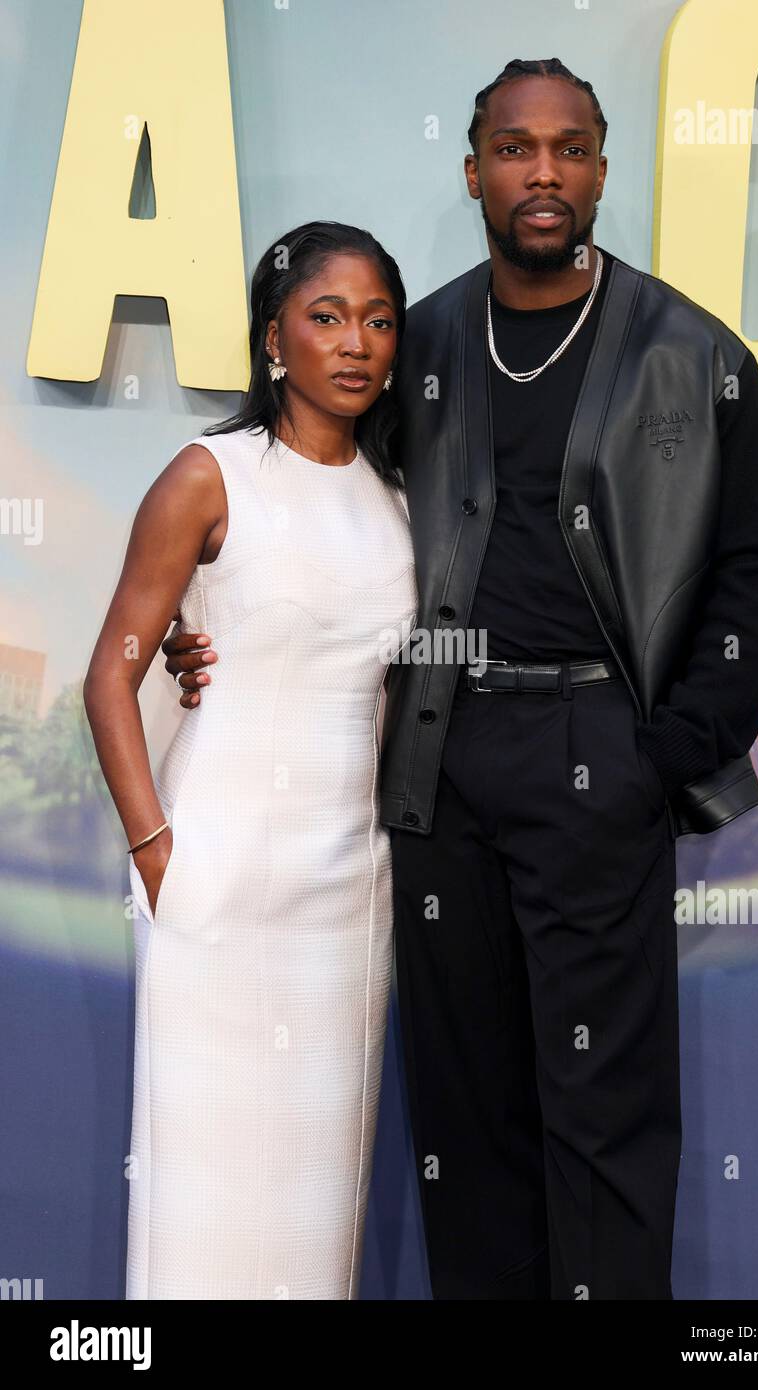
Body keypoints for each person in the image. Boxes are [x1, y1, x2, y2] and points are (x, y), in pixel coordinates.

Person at [162, 61, 758, 1300]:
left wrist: (665, 751)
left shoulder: (689, 351)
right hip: (442, 762)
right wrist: (207, 621)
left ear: (603, 171)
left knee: (603, 1119)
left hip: (597, 756)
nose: (543, 173)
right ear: (473, 173)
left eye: (569, 148)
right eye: (514, 149)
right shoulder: (428, 337)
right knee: (467, 1123)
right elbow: (309, 487)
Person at [83, 222, 417, 1299]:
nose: (355, 342)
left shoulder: (402, 503)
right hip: (215, 876)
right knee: (206, 1193)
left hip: (347, 890)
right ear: (273, 337)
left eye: (376, 320)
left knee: (318, 1206)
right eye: (326, 317)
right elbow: (109, 678)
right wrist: (158, 855)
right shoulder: (207, 476)